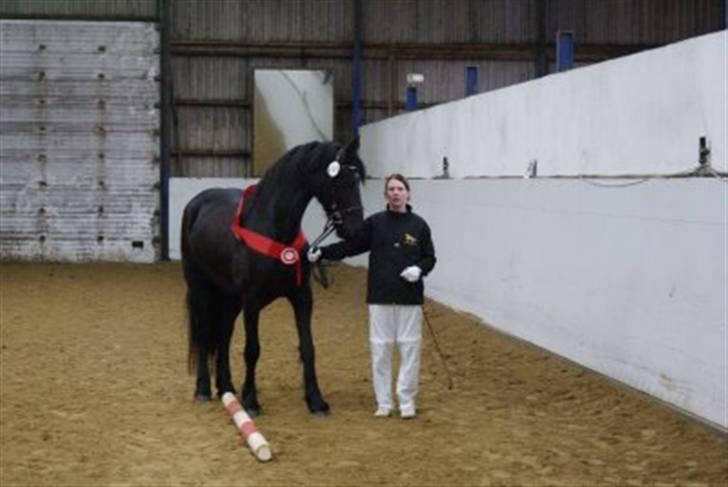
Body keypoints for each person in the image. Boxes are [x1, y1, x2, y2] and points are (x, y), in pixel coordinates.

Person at [308, 174, 436, 419]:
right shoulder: (375, 223)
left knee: (410, 348)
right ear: (386, 195)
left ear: (408, 193)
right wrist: (322, 252)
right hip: (380, 296)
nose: (396, 193)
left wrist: (419, 270)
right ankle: (384, 402)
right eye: (391, 189)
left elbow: (429, 257)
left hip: (409, 298)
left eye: (400, 188)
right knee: (380, 349)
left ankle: (406, 400)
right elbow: (351, 246)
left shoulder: (419, 225)